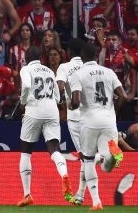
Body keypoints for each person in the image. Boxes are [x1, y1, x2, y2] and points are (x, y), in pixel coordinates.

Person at [69, 43, 127, 211]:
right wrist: (112, 111)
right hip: (109, 120)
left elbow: (76, 100)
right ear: (96, 55)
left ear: (81, 55)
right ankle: (110, 156)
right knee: (106, 164)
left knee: (87, 160)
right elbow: (123, 95)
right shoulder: (108, 72)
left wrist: (72, 106)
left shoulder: (78, 74)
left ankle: (96, 202)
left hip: (89, 121)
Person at [16, 46, 73, 207]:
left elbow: (26, 86)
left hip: (34, 110)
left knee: (26, 151)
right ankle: (64, 174)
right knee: (54, 148)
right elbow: (57, 96)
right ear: (40, 58)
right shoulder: (49, 71)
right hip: (52, 111)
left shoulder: (26, 69)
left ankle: (27, 194)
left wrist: (23, 102)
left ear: (27, 58)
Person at [56, 38, 86, 205]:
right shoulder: (91, 67)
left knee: (85, 157)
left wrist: (60, 99)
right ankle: (80, 195)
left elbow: (60, 86)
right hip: (92, 115)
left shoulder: (64, 67)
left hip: (75, 117)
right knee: (86, 156)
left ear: (69, 52)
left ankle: (81, 195)